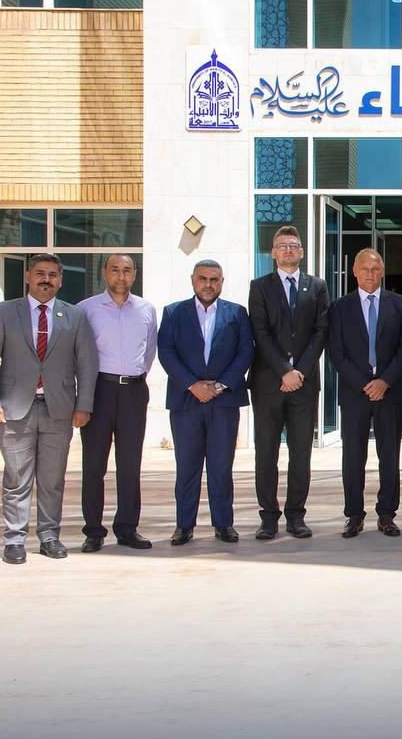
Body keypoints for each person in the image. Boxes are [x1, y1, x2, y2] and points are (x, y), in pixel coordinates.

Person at [0, 253, 98, 564]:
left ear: (60, 280)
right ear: (28, 276)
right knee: (17, 479)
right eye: (40, 273)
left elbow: (86, 364)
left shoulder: (74, 315)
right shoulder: (4, 312)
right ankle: (14, 539)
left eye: (53, 275)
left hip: (59, 410)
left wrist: (83, 405)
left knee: (52, 479)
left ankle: (49, 537)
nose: (46, 279)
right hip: (14, 410)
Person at [157, 259, 254, 545]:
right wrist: (192, 385)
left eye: (214, 279)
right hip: (186, 401)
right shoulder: (174, 313)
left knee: (221, 467)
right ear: (192, 280)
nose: (208, 284)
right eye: (203, 279)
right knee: (187, 467)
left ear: (222, 282)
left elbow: (246, 352)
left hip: (224, 402)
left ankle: (223, 524)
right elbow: (166, 352)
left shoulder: (237, 313)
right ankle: (184, 525)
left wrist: (220, 385)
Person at [247, 226, 330, 541]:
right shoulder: (259, 287)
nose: (288, 250)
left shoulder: (318, 286)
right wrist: (284, 371)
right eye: (282, 246)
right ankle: (268, 517)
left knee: (300, 454)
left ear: (302, 251)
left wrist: (300, 372)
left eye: (293, 245)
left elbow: (321, 332)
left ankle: (296, 515)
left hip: (304, 386)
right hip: (268, 384)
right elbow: (260, 331)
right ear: (273, 253)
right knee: (266, 453)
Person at [328, 248, 402, 538]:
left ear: (382, 271)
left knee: (389, 456)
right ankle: (354, 515)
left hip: (390, 392)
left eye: (375, 269)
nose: (370, 274)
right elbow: (336, 352)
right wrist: (365, 383)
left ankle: (387, 514)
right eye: (364, 268)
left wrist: (384, 381)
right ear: (354, 271)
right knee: (353, 457)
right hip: (355, 393)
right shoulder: (340, 307)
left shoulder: (399, 304)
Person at [77, 253, 156, 552]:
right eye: (115, 270)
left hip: (134, 392)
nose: (120, 276)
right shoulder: (86, 309)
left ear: (134, 274)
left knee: (130, 465)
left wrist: (136, 376)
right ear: (104, 273)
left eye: (126, 270)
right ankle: (93, 531)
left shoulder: (146, 309)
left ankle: (127, 528)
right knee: (94, 465)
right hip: (99, 390)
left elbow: (149, 350)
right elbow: (78, 353)